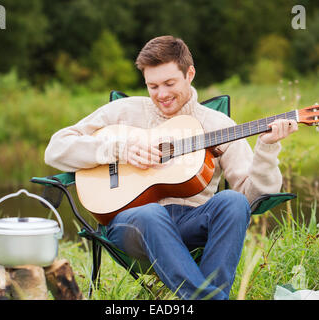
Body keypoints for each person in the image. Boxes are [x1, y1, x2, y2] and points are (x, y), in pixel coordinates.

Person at [44, 35, 298, 300]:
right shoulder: (124, 112)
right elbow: (56, 148)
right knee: (151, 214)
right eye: (152, 86)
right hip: (132, 223)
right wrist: (116, 150)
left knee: (233, 202)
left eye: (169, 83)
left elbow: (253, 198)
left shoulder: (218, 125)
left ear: (190, 74)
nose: (161, 95)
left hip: (191, 222)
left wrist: (267, 149)